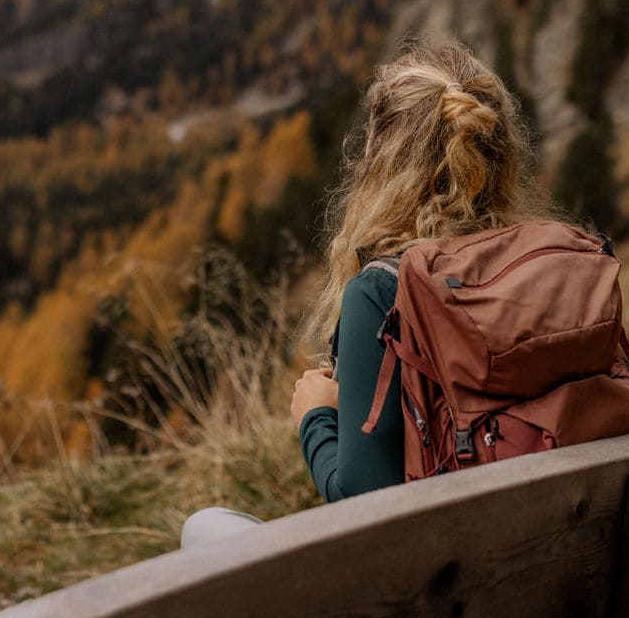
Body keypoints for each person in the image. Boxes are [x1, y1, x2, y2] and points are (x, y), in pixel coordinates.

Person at [181, 40, 548, 548]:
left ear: (382, 160)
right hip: (558, 577)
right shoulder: (554, 267)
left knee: (204, 528)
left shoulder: (385, 290)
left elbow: (366, 503)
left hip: (441, 596)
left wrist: (316, 416)